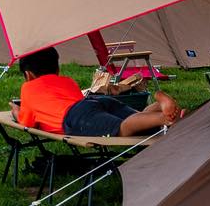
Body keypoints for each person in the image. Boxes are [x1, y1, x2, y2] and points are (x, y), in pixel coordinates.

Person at [14, 46, 182, 138]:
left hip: (74, 116)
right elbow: (80, 102)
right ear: (57, 68)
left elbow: (27, 123)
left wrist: (17, 112)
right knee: (136, 118)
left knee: (122, 128)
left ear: (28, 74)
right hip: (96, 102)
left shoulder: (28, 88)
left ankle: (164, 116)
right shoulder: (67, 81)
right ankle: (160, 107)